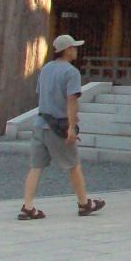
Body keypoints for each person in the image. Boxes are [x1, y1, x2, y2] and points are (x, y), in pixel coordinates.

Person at [18, 34, 106, 220]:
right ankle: (84, 204)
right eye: (73, 47)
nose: (76, 50)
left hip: (40, 123)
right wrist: (72, 127)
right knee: (73, 165)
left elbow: (40, 94)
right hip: (58, 126)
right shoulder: (71, 72)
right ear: (66, 50)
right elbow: (72, 101)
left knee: (36, 167)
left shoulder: (46, 69)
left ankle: (28, 206)